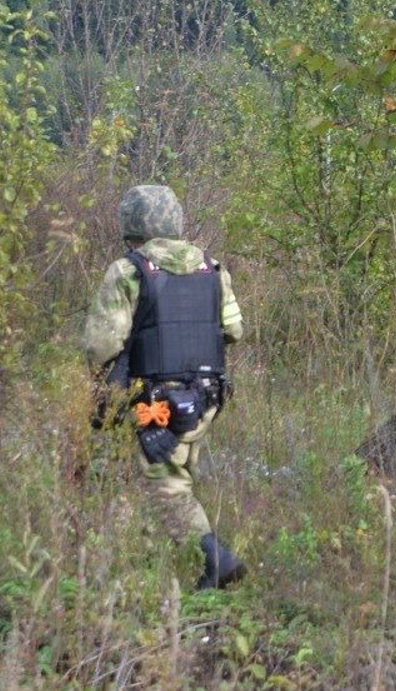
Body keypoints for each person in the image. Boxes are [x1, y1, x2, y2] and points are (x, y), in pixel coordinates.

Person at [83, 185, 246, 591]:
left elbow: (100, 346)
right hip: (205, 399)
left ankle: (216, 562)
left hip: (155, 404)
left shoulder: (129, 271)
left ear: (131, 226)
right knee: (164, 474)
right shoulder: (213, 268)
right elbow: (234, 330)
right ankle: (143, 566)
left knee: (165, 486)